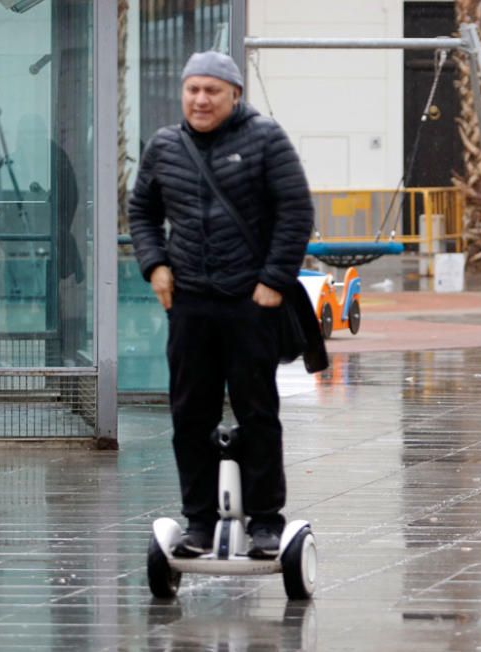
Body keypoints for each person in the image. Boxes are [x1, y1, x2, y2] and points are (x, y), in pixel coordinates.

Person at [128, 51, 314, 558]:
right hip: (189, 302)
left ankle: (266, 522)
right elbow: (141, 210)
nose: (201, 99)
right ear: (183, 93)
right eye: (193, 89)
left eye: (212, 90)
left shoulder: (265, 139)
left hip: (251, 299)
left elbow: (296, 211)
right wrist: (155, 264)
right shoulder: (165, 146)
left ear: (234, 95)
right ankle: (199, 522)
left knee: (257, 410)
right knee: (191, 414)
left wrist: (274, 280)